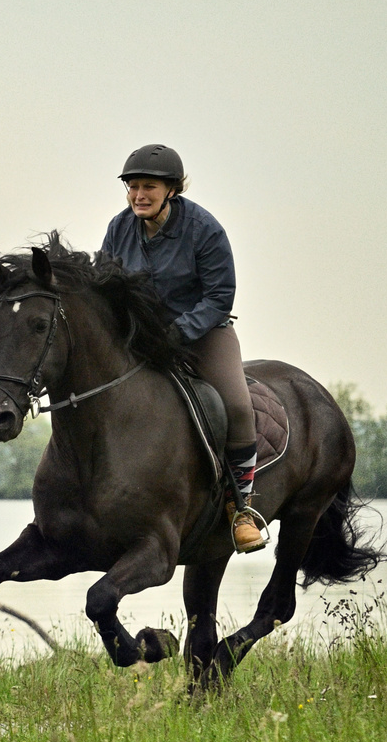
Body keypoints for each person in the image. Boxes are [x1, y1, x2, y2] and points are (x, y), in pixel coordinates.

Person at [98, 144, 265, 553]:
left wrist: (177, 332)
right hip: (140, 337)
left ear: (172, 189)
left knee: (237, 406)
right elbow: (105, 284)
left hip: (204, 334)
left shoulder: (205, 229)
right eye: (133, 187)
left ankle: (241, 508)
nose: (139, 195)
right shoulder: (119, 228)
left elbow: (219, 296)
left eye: (148, 187)